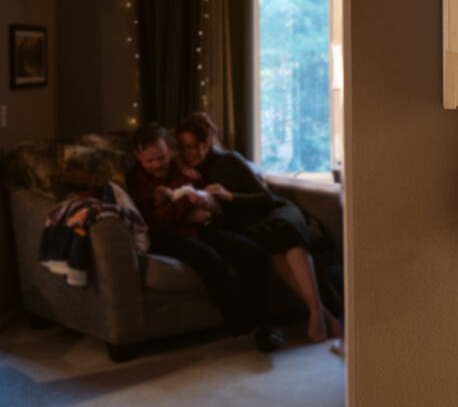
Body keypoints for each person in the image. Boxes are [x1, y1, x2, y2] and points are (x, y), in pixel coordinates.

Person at [176, 113, 343, 345]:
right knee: (269, 244)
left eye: (192, 146)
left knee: (284, 232)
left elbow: (264, 197)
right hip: (252, 226)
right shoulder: (188, 172)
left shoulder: (229, 160)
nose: (188, 153)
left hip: (273, 211)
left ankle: (315, 315)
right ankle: (326, 317)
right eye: (183, 147)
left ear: (206, 142)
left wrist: (229, 196)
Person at [127, 122, 283, 352]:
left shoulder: (181, 169)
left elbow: (209, 201)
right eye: (150, 161)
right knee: (209, 259)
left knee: (251, 252)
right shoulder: (136, 181)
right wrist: (188, 202)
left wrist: (203, 210)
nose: (158, 165)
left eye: (162, 157)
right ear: (137, 156)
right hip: (170, 237)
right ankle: (241, 324)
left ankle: (264, 326)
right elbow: (156, 220)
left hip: (204, 228)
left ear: (169, 150)